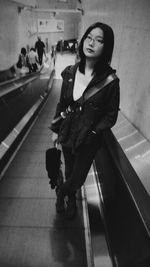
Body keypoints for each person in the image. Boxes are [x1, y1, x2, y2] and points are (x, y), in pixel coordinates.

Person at [51, 22, 120, 219]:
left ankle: (62, 190)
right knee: (71, 169)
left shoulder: (110, 82)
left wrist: (93, 132)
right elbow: (63, 104)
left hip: (88, 139)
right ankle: (70, 199)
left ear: (106, 48)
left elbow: (111, 115)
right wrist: (55, 128)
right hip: (68, 132)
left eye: (99, 40)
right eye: (89, 37)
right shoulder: (70, 73)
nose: (91, 43)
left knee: (78, 178)